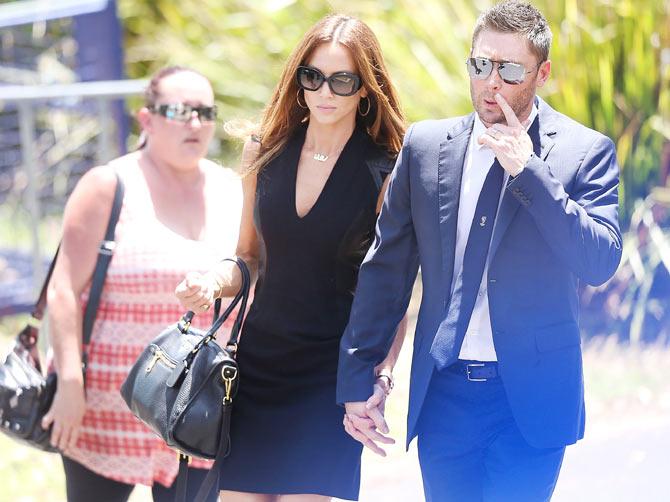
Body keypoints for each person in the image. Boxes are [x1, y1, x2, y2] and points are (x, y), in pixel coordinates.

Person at [337, 1, 623, 501]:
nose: (492, 82)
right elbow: (386, 272)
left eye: (510, 70)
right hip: (446, 394)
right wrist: (359, 377)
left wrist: (529, 172)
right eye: (481, 64)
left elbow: (598, 261)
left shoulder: (584, 151)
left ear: (543, 73)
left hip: (530, 401)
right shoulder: (426, 147)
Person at [175, 14, 406, 502]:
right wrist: (212, 283)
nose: (325, 91)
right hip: (258, 369)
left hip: (332, 378)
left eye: (342, 81)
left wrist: (379, 378)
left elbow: (393, 295)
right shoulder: (266, 151)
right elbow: (248, 257)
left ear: (366, 89)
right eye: (313, 76)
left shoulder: (385, 170)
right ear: (299, 81)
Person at [43, 66, 241, 502]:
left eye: (205, 112)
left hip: (194, 408)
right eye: (179, 110)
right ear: (146, 119)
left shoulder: (233, 189)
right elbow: (62, 290)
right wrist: (71, 387)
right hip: (103, 406)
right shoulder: (108, 184)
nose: (195, 123)